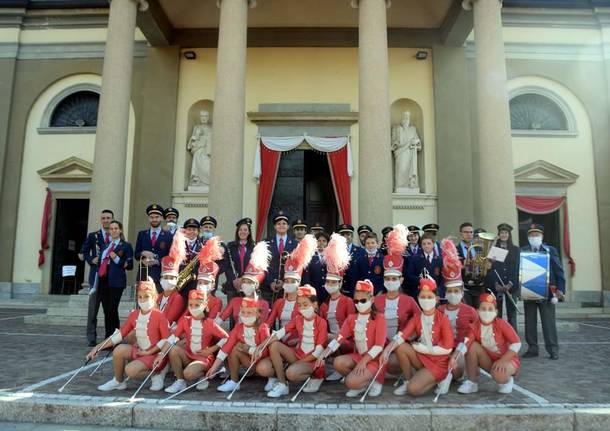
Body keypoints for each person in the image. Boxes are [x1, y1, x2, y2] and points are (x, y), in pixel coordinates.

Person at [89, 280, 170, 392]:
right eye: (140, 297)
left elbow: (167, 340)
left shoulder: (160, 316)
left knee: (130, 370)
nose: (142, 300)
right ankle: (118, 381)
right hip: (140, 351)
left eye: (146, 296)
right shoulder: (134, 314)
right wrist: (98, 347)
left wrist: (150, 352)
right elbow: (120, 334)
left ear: (154, 297)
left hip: (156, 355)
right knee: (118, 350)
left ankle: (157, 373)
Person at [383, 277, 453, 397]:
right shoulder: (416, 318)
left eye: (429, 297)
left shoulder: (443, 319)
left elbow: (448, 348)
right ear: (418, 298)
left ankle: (444, 377)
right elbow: (402, 335)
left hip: (438, 362)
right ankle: (407, 380)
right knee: (401, 347)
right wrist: (387, 349)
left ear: (436, 299)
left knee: (414, 390)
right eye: (423, 297)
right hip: (422, 358)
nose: (426, 300)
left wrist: (422, 348)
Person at [317, 280, 387, 398]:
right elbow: (339, 338)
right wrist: (324, 353)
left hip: (375, 359)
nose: (359, 304)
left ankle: (375, 381)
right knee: (338, 362)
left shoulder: (380, 318)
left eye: (363, 300)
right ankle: (362, 383)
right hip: (359, 356)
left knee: (349, 382)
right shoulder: (351, 318)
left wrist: (364, 361)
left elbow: (379, 346)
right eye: (356, 301)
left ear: (372, 299)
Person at [257, 285, 329, 397]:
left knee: (290, 373)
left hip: (312, 360)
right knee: (274, 345)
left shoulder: (322, 323)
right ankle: (282, 384)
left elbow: (318, 351)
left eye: (305, 305)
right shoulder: (297, 319)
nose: (302, 308)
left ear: (314, 304)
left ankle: (316, 377)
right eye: (299, 305)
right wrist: (261, 346)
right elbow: (279, 333)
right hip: (298, 355)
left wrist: (299, 363)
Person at [160, 289, 229, 394]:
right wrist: (161, 354)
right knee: (173, 350)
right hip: (188, 355)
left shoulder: (210, 323)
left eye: (197, 305)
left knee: (189, 374)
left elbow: (226, 338)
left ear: (205, 305)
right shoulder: (185, 320)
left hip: (203, 358)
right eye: (191, 305)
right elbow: (173, 337)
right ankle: (180, 381)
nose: (193, 308)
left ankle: (201, 375)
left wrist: (211, 349)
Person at [455, 293, 521, 394]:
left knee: (499, 376)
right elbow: (466, 342)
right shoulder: (474, 326)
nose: (486, 312)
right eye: (483, 309)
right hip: (489, 360)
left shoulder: (502, 324)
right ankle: (471, 383)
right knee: (472, 346)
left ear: (496, 311)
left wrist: (504, 360)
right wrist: (456, 355)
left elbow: (516, 343)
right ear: (478, 311)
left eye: (490, 309)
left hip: (507, 360)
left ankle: (507, 380)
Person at [206, 297, 272, 393]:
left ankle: (273, 378)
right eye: (243, 312)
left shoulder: (263, 327)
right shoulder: (238, 328)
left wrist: (248, 349)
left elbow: (265, 352)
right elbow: (226, 348)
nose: (245, 315)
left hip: (264, 361)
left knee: (263, 368)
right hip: (250, 361)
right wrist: (214, 367)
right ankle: (234, 381)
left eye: (249, 313)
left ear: (257, 314)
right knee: (233, 348)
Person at [521, 223, 565, 360]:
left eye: (537, 234)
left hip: (547, 292)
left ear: (542, 236)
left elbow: (559, 270)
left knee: (548, 322)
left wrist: (561, 289)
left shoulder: (550, 250)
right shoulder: (523, 251)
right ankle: (532, 348)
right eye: (531, 235)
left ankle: (553, 349)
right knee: (529, 322)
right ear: (528, 237)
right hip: (528, 290)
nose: (534, 236)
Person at [437, 238, 478, 380]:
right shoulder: (440, 310)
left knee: (455, 371)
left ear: (462, 292)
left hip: (462, 348)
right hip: (444, 348)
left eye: (456, 291)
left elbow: (477, 332)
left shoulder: (470, 311)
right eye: (450, 291)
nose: (452, 294)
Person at [318, 233, 355, 381]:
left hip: (346, 340)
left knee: (326, 337)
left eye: (333, 283)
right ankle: (333, 367)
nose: (330, 285)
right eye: (328, 282)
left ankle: (344, 367)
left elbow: (352, 328)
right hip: (332, 340)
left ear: (339, 284)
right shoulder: (324, 305)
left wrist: (337, 337)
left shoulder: (348, 301)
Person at [375, 225, 420, 343]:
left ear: (401, 280)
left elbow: (420, 319)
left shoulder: (409, 300)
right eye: (387, 278)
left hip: (401, 346)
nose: (390, 282)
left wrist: (409, 335)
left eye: (394, 279)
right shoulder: (376, 300)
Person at [265, 234, 317, 334]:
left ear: (299, 283)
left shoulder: (305, 303)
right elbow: (268, 323)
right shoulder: (279, 303)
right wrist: (264, 333)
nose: (289, 284)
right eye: (287, 281)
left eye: (293, 281)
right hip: (280, 339)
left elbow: (309, 327)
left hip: (298, 340)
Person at [80, 209, 114, 347]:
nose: (106, 220)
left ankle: (108, 338)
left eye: (108, 218)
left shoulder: (116, 235)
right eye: (104, 218)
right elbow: (83, 251)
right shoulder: (93, 235)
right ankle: (91, 338)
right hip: (96, 278)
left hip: (110, 278)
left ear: (112, 219)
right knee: (93, 310)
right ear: (101, 220)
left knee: (109, 310)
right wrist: (90, 259)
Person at [217, 241, 271, 326]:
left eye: (249, 282)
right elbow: (220, 320)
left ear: (256, 285)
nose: (246, 284)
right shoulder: (234, 301)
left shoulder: (263, 304)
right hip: (236, 336)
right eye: (244, 281)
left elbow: (262, 327)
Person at [97, 220, 133, 338]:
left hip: (116, 280)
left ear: (120, 230)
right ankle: (108, 337)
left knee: (112, 308)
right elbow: (100, 262)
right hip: (103, 279)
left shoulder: (126, 246)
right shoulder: (105, 246)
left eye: (116, 228)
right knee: (106, 310)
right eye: (111, 229)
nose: (113, 230)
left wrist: (117, 258)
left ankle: (116, 337)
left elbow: (130, 265)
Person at [487, 223, 520, 332]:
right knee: (497, 312)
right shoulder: (495, 249)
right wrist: (496, 284)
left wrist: (510, 283)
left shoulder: (515, 250)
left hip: (511, 286)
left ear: (509, 235)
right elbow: (492, 269)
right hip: (498, 286)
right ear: (499, 234)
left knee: (512, 314)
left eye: (506, 233)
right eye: (501, 233)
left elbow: (517, 268)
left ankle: (513, 337)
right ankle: (498, 336)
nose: (504, 235)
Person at [263, 211, 297, 304]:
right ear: (274, 226)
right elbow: (262, 266)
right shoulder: (266, 243)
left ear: (288, 226)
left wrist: (284, 281)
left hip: (287, 287)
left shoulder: (295, 244)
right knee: (269, 316)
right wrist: (270, 282)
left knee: (285, 316)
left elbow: (296, 266)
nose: (281, 225)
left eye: (284, 223)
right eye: (278, 224)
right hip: (268, 288)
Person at [135, 204, 172, 288]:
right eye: (152, 217)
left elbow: (170, 256)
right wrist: (143, 253)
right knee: (142, 301)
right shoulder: (142, 234)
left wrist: (157, 261)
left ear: (162, 218)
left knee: (158, 301)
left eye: (157, 217)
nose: (154, 219)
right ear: (149, 218)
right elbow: (136, 254)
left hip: (160, 276)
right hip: (143, 275)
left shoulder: (168, 235)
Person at [220, 218, 254, 304]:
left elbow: (255, 266)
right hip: (233, 285)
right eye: (240, 230)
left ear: (249, 232)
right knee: (233, 314)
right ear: (237, 232)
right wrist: (234, 280)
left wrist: (244, 279)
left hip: (249, 285)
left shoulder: (255, 247)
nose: (243, 232)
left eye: (245, 230)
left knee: (248, 313)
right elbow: (227, 266)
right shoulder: (230, 246)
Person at [158, 229, 187, 326]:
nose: (168, 281)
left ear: (176, 279)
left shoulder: (178, 298)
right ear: (161, 279)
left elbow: (168, 320)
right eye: (165, 277)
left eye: (171, 277)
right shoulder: (158, 296)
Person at [192, 236, 224, 319]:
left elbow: (210, 321)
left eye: (206, 283)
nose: (202, 285)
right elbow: (186, 315)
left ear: (213, 285)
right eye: (200, 282)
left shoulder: (217, 302)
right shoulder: (193, 297)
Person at [405, 233, 443, 299]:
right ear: (421, 245)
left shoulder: (440, 260)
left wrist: (438, 293)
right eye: (424, 244)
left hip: (435, 294)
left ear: (433, 244)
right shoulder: (415, 259)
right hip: (420, 293)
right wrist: (420, 280)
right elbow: (409, 276)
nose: (426, 246)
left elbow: (442, 280)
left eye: (429, 243)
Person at [178, 218, 203, 299]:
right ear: (184, 231)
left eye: (194, 229)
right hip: (181, 279)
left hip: (195, 280)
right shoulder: (178, 244)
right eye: (189, 229)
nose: (191, 232)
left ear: (198, 231)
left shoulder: (203, 246)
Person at [302, 231, 330, 302]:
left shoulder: (331, 256)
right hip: (314, 291)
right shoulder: (310, 255)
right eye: (319, 241)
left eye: (324, 241)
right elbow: (306, 275)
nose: (321, 243)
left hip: (328, 292)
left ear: (327, 243)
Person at [337, 223, 362, 296]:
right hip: (339, 291)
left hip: (355, 291)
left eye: (348, 234)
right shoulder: (335, 252)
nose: (345, 237)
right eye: (342, 235)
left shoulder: (360, 251)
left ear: (352, 236)